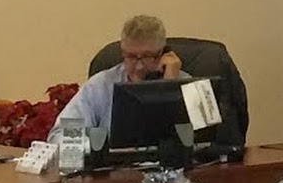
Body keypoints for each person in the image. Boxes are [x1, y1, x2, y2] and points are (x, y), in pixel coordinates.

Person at [55, 13, 187, 150]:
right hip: (113, 163)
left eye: (147, 56)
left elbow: (200, 143)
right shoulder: (101, 85)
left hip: (171, 164)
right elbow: (60, 135)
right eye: (131, 57)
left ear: (164, 53)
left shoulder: (187, 86)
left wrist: (170, 86)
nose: (139, 66)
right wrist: (100, 150)